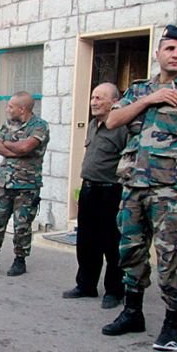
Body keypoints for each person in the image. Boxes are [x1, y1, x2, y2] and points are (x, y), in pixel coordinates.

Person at [101, 25, 177, 351]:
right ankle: (132, 312)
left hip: (171, 189)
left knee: (170, 255)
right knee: (130, 250)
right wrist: (150, 99)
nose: (176, 55)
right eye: (170, 48)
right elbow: (112, 121)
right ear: (158, 53)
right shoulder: (139, 89)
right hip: (133, 186)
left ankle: (173, 322)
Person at [0, 91, 49, 277]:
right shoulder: (8, 124)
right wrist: (16, 151)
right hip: (5, 183)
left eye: (11, 106)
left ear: (22, 109)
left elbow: (25, 147)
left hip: (27, 185)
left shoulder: (39, 126)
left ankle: (20, 260)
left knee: (22, 226)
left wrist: (9, 145)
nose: (7, 109)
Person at [62, 83, 128, 309]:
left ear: (114, 102)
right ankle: (86, 285)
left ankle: (114, 291)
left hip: (111, 191)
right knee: (86, 241)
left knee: (112, 243)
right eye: (93, 97)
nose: (94, 102)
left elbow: (130, 160)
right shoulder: (93, 124)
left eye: (100, 98)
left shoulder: (122, 128)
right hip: (89, 188)